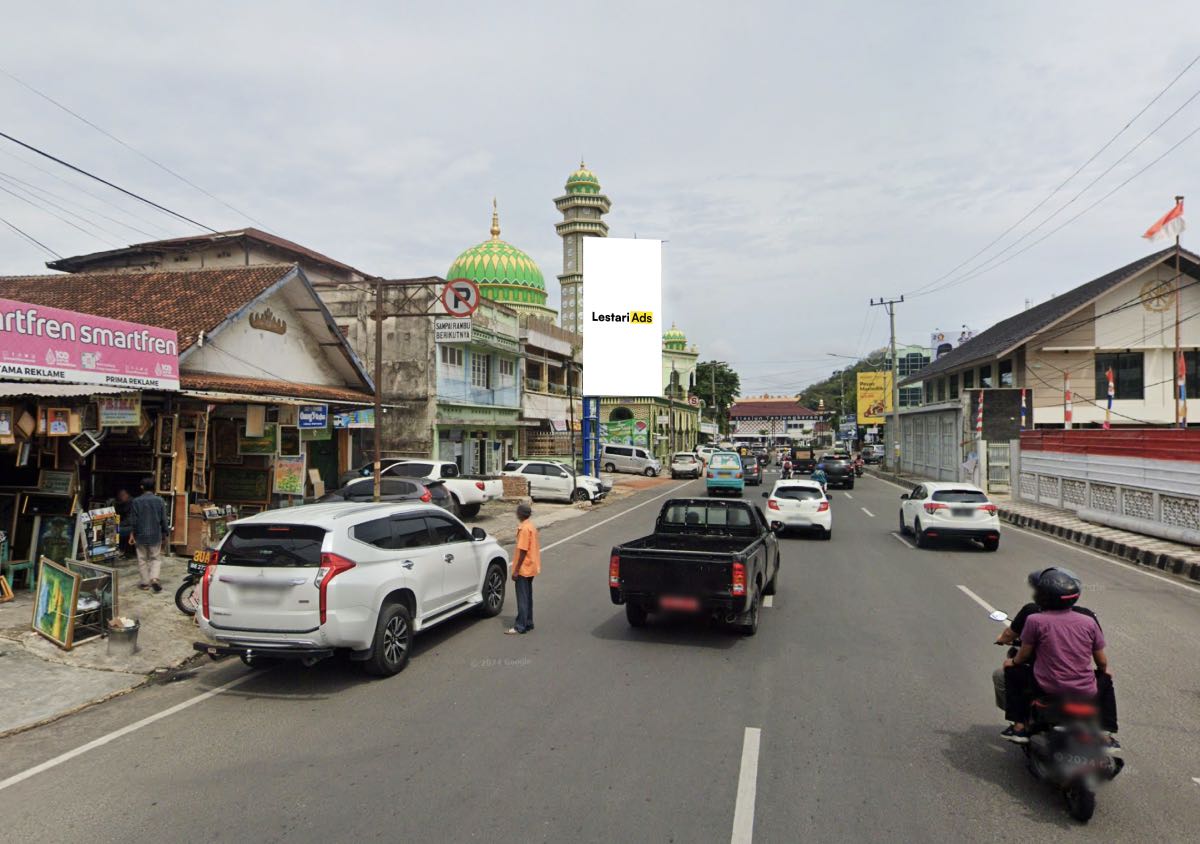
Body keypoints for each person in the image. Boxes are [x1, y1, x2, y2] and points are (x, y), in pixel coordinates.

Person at [1001, 568, 1116, 751]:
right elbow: (1102, 662)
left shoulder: (1034, 619)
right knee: (1106, 678)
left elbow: (1022, 656)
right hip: (1085, 689)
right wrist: (1104, 670)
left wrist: (1012, 663)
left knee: (1012, 670)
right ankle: (1105, 734)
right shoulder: (1088, 621)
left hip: (1047, 687)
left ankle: (1019, 727)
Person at [129, 477, 170, 592]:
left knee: (142, 559)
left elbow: (134, 520)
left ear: (142, 487)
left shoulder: (136, 501)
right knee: (155, 558)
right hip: (155, 534)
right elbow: (163, 519)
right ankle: (154, 579)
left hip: (140, 535)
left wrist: (132, 534)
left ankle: (145, 583)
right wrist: (165, 533)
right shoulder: (159, 501)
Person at [505, 502, 540, 635]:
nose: (516, 513)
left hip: (524, 568)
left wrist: (516, 570)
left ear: (520, 514)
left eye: (517, 511)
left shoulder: (524, 529)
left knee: (522, 597)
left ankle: (520, 626)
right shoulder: (531, 526)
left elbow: (523, 550)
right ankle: (529, 622)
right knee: (528, 596)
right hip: (531, 566)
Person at [114, 488, 134, 558]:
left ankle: (121, 550)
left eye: (122, 495)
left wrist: (118, 525)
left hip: (132, 527)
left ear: (127, 495)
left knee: (118, 530)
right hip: (125, 524)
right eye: (119, 495)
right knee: (115, 529)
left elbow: (130, 520)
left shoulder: (132, 503)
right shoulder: (122, 503)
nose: (120, 497)